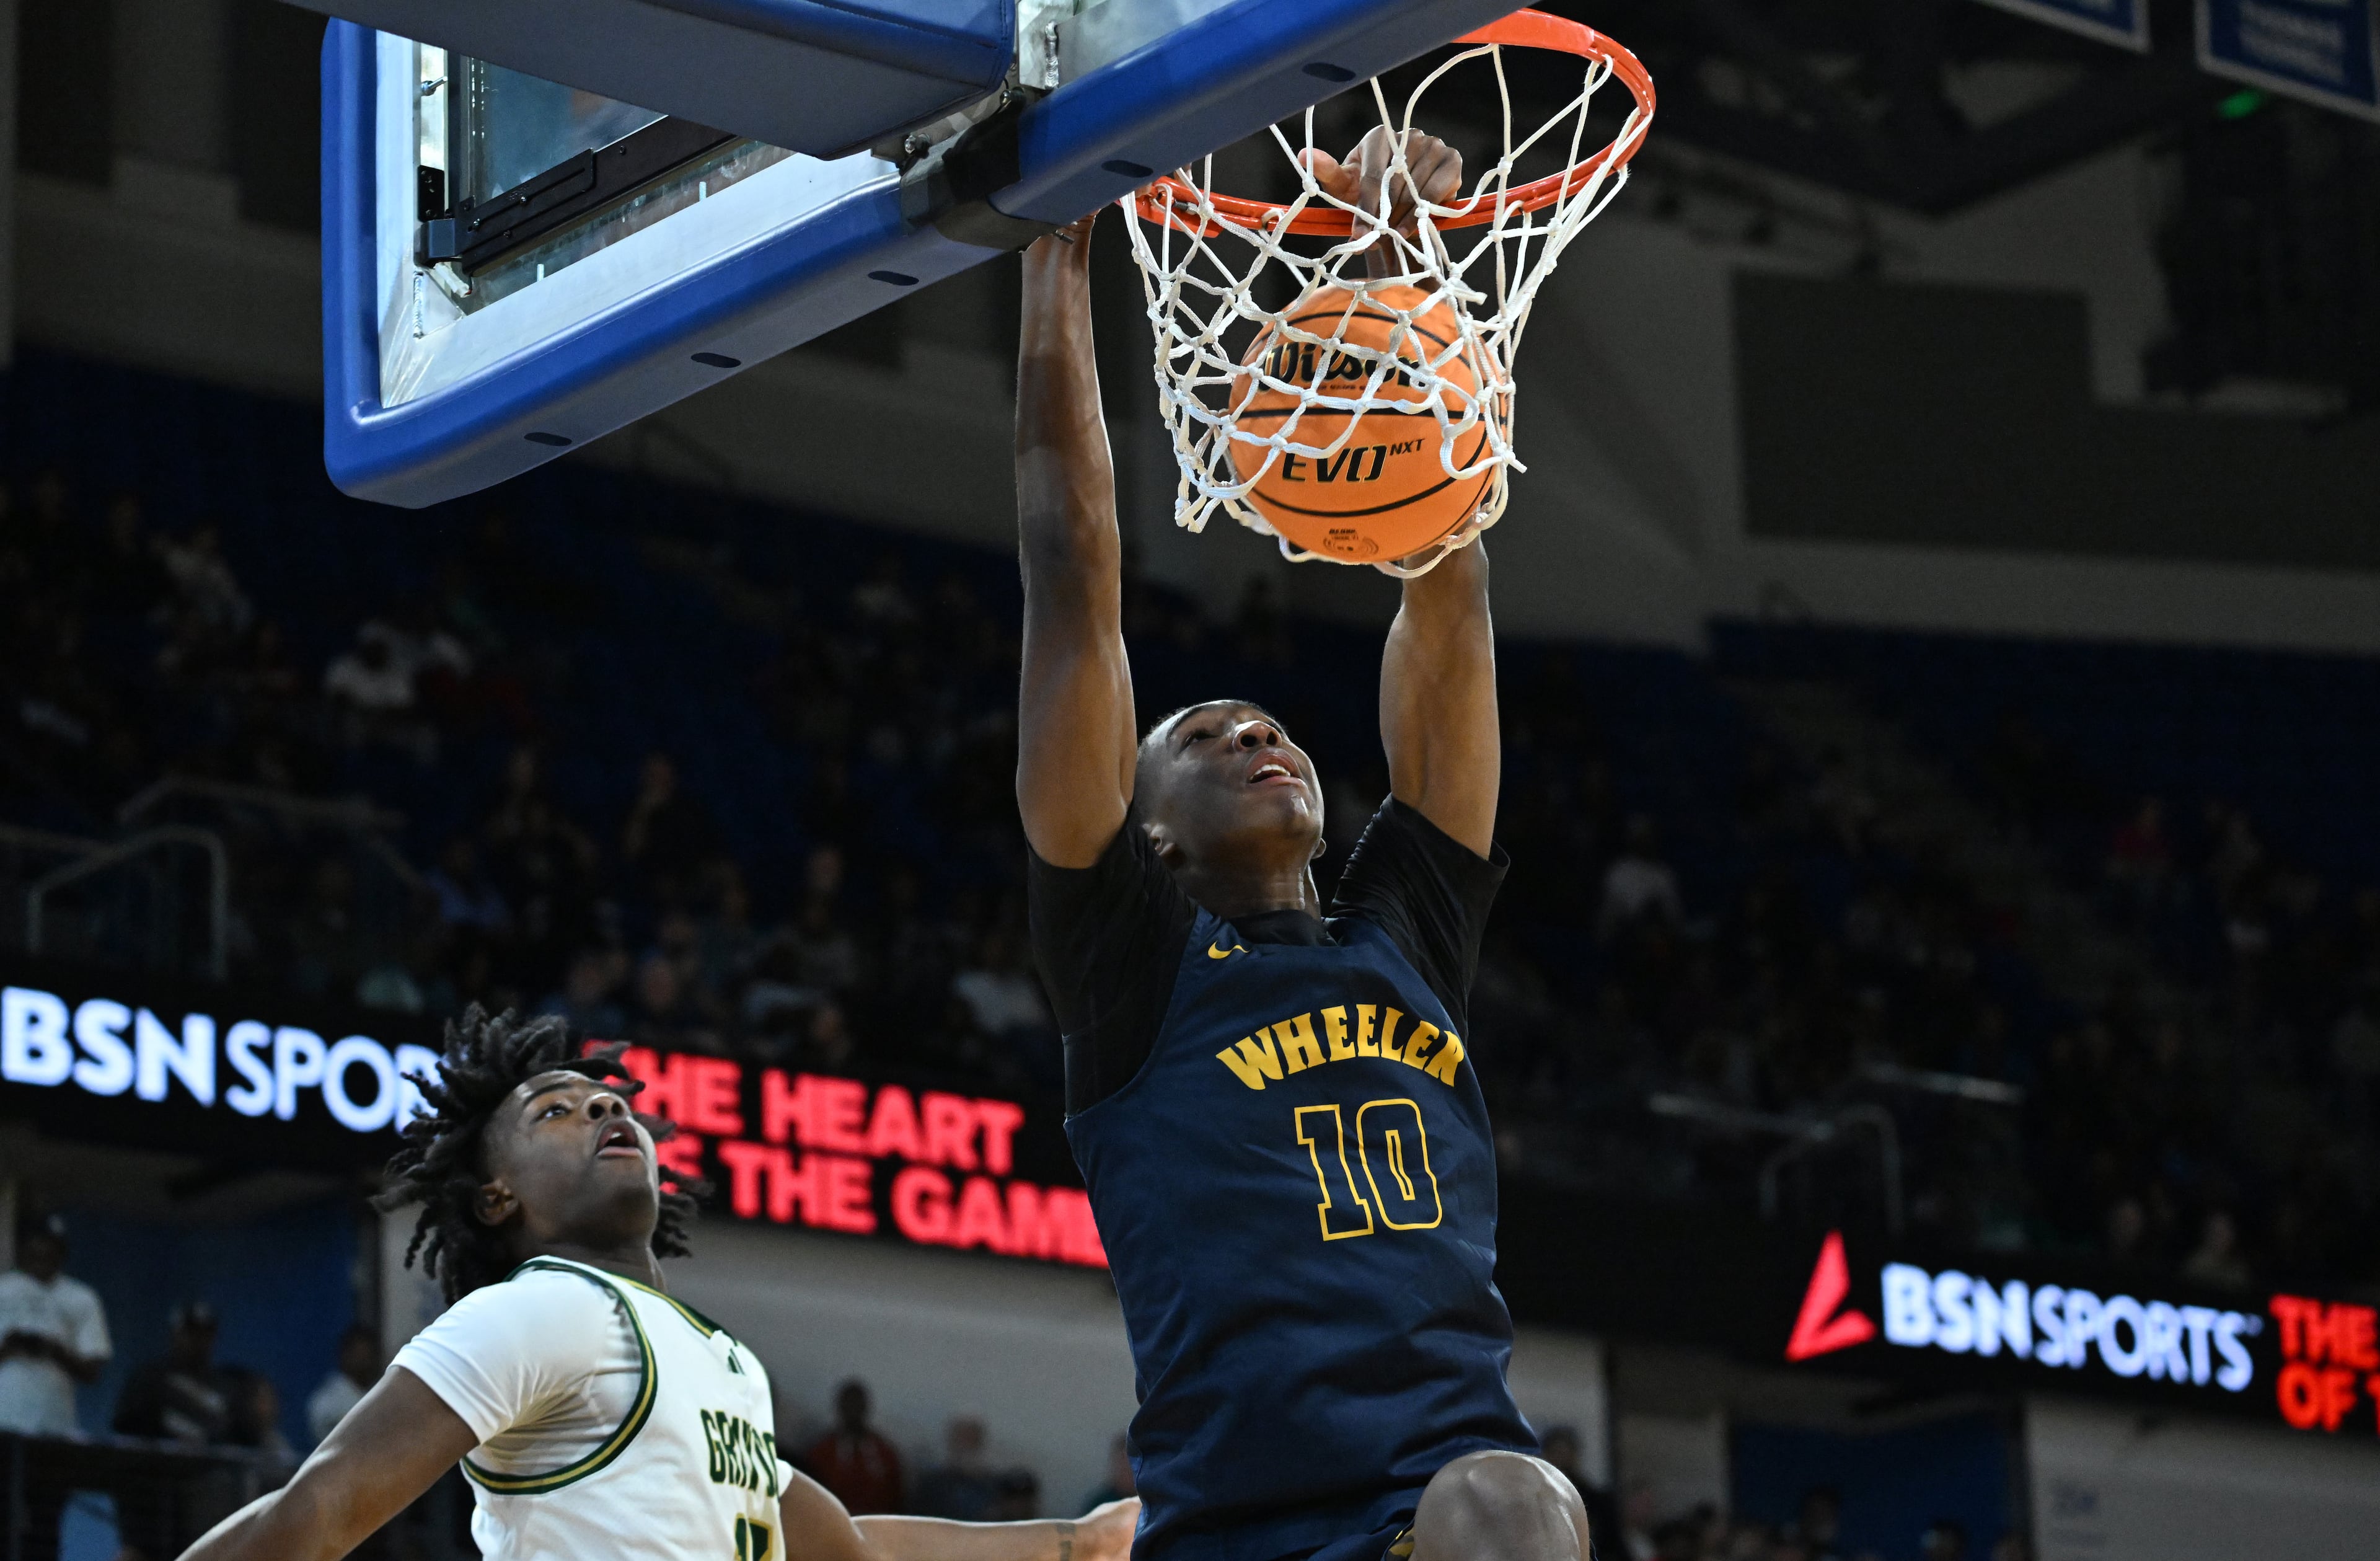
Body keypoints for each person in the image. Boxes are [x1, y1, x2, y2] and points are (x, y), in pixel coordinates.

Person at [1015, 130, 1584, 1561]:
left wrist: (1398, 254)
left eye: (1264, 721)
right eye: (1200, 735)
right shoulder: (1133, 960)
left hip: (1427, 1517)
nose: (1249, 734)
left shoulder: (1399, 927)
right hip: (1234, 1524)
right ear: (1146, 832)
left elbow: (1447, 598)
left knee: (1507, 1493)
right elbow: (1075, 576)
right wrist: (1052, 252)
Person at [174, 1007, 1137, 1561]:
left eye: (607, 1099)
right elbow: (321, 1510)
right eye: (554, 1109)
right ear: (496, 1195)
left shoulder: (717, 1361)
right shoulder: (539, 1309)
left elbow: (848, 1547)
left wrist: (1076, 1542)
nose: (600, 1103)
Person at [0, 1213, 111, 1435]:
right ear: (25, 1248)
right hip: (5, 1418)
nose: (45, 1251)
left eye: (53, 1246)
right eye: (39, 1243)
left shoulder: (82, 1297)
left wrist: (56, 1351)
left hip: (55, 1424)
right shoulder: (4, 1289)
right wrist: (11, 1346)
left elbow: (93, 1372)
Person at [115, 1301, 235, 1444]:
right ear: (175, 1334)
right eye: (191, 1333)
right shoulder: (149, 1378)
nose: (198, 1341)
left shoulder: (226, 1384)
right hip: (158, 1463)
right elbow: (124, 1426)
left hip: (209, 1465)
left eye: (205, 1334)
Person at [806, 1379, 906, 1516]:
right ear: (840, 1408)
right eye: (848, 1405)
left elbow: (896, 1500)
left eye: (857, 1405)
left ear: (866, 1408)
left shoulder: (885, 1454)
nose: (853, 1411)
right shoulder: (822, 1453)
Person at [306, 1325, 381, 1446]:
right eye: (359, 1355)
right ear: (345, 1355)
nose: (365, 1362)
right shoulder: (327, 1399)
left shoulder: (382, 1391)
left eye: (368, 1355)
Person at [917, 1416, 1000, 1521]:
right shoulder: (931, 1485)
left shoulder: (992, 1487)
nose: (966, 1446)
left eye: (972, 1440)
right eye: (962, 1440)